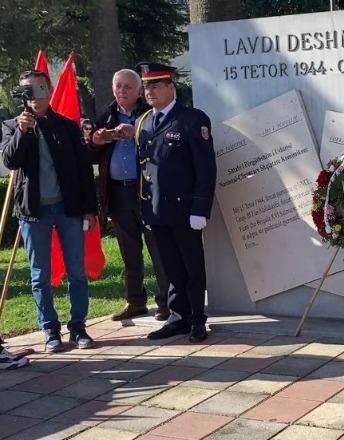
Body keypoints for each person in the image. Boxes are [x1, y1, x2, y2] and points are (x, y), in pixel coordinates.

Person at [0, 70, 98, 353]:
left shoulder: (66, 126)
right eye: (27, 90)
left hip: (68, 208)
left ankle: (78, 327)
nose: (34, 96)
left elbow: (83, 170)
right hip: (33, 211)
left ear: (49, 89)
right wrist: (22, 132)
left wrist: (90, 210)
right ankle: (50, 329)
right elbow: (11, 161)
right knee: (40, 274)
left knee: (76, 271)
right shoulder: (11, 126)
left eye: (39, 88)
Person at [134, 62, 216, 343]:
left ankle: (197, 319)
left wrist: (200, 208)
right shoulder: (144, 122)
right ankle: (178, 317)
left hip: (184, 210)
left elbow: (206, 168)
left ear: (171, 87)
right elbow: (145, 168)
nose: (150, 92)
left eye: (156, 86)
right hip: (156, 209)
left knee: (192, 267)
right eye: (147, 87)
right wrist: (144, 208)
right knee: (169, 268)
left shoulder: (192, 119)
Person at [89, 69, 169, 322]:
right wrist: (96, 141)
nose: (121, 91)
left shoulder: (150, 113)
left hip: (146, 190)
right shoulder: (106, 116)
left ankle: (167, 301)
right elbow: (90, 156)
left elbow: (163, 144)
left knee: (158, 248)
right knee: (129, 250)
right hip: (117, 192)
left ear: (138, 91)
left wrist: (135, 131)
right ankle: (135, 301)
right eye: (118, 86)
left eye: (127, 87)